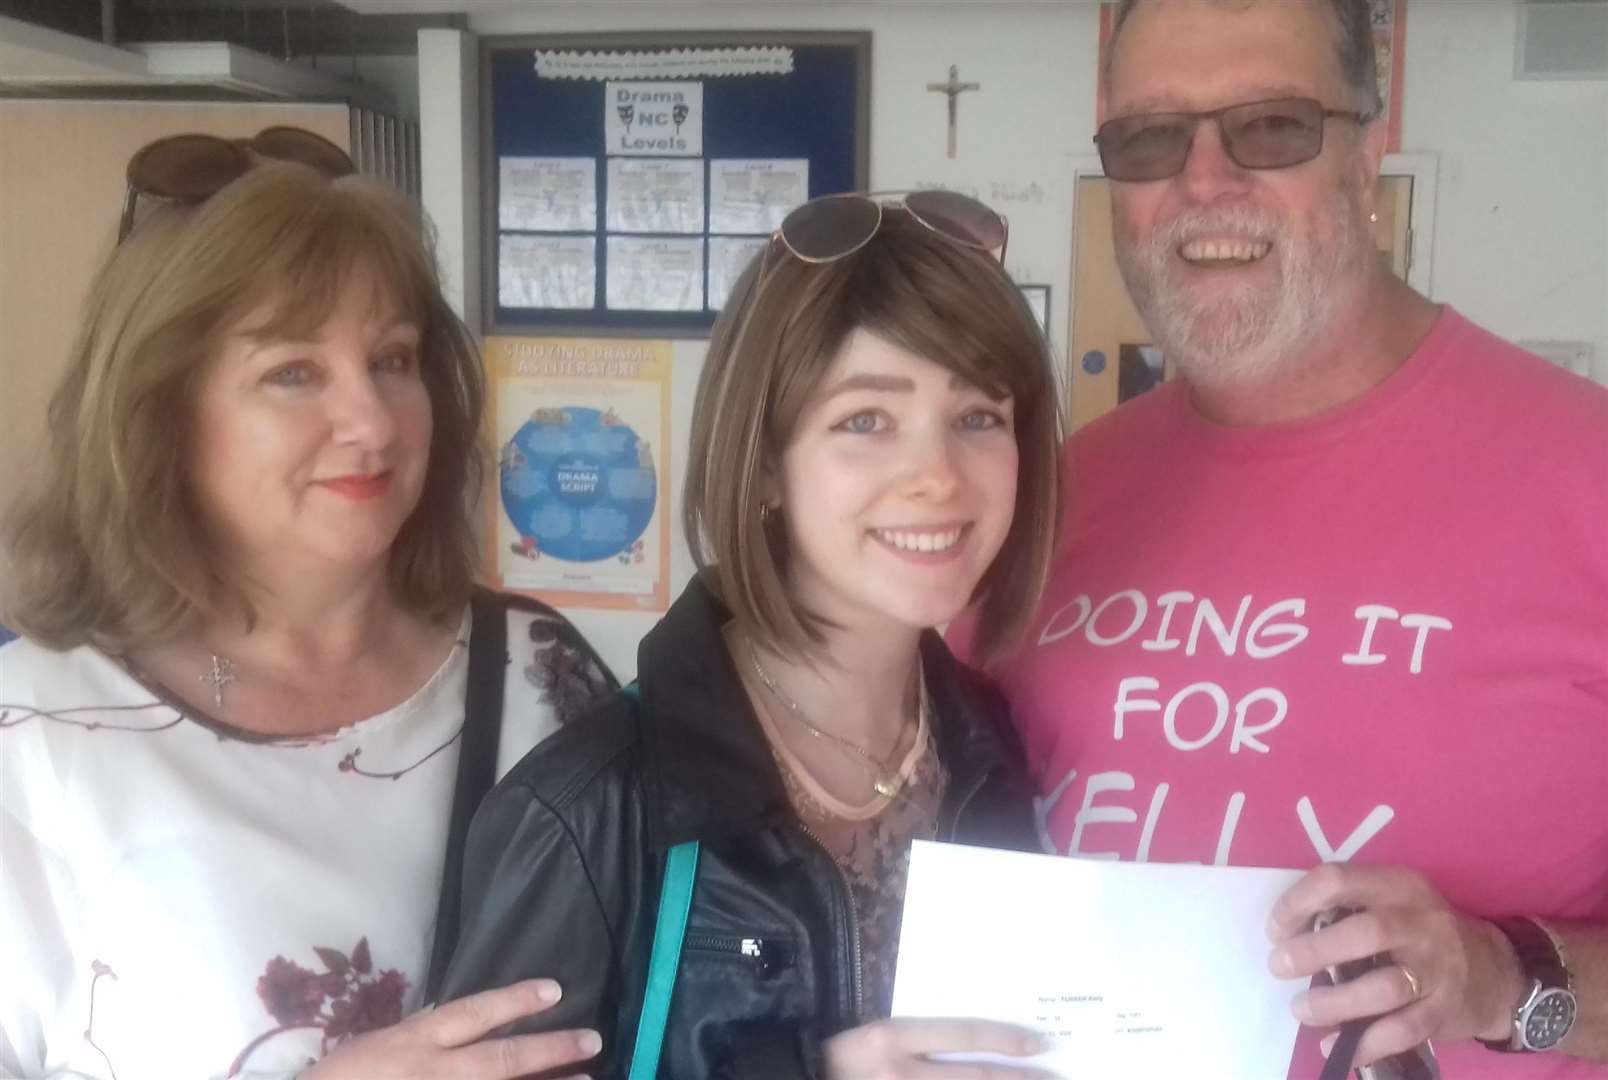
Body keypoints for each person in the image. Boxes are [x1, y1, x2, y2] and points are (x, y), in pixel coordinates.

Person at [959, 0, 1608, 1077]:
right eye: (1152, 138)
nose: (1205, 183)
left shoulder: (1587, 479)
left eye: (1271, 128)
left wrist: (1504, 979)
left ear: (1370, 145)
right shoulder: (1042, 500)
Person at [0, 133, 615, 1080]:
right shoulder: (34, 737)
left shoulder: (542, 671)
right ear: (159, 412)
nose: (372, 422)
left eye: (394, 359)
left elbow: (678, 994)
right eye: (293, 372)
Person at [438, 193, 1063, 1078]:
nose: (937, 478)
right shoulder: (587, 812)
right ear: (766, 465)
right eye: (865, 420)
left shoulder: (996, 757)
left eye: (978, 419)